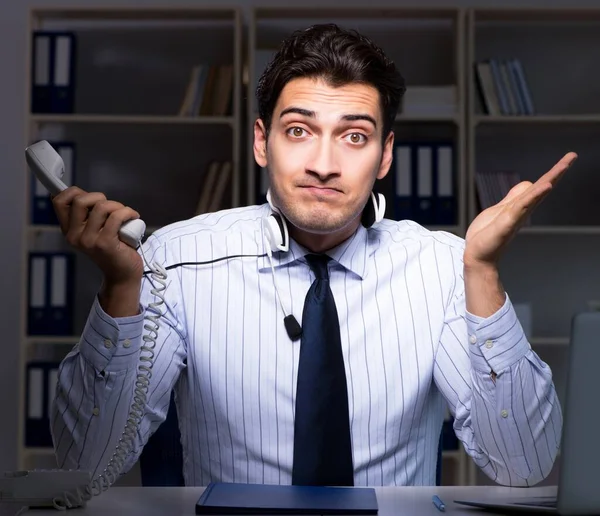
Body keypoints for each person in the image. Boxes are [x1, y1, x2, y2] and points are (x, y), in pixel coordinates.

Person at [50, 23, 571, 488]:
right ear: (262, 141)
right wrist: (121, 291)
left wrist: (481, 272)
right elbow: (87, 466)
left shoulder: (443, 267)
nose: (324, 164)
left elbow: (522, 465)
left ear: (385, 154)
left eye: (354, 136)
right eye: (299, 131)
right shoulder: (173, 259)